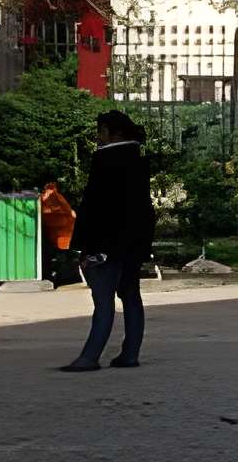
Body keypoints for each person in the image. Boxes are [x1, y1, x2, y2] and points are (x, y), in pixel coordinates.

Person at [59, 112, 155, 372]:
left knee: (102, 300)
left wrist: (86, 246)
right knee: (131, 296)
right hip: (132, 243)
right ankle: (130, 354)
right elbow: (142, 209)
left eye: (101, 131)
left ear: (116, 134)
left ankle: (89, 357)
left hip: (105, 244)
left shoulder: (105, 160)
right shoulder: (138, 160)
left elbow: (96, 208)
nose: (98, 137)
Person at [41, 178, 79, 286]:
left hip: (62, 238)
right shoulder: (54, 198)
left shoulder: (52, 199)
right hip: (62, 238)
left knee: (63, 260)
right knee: (65, 260)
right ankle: (66, 278)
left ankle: (64, 278)